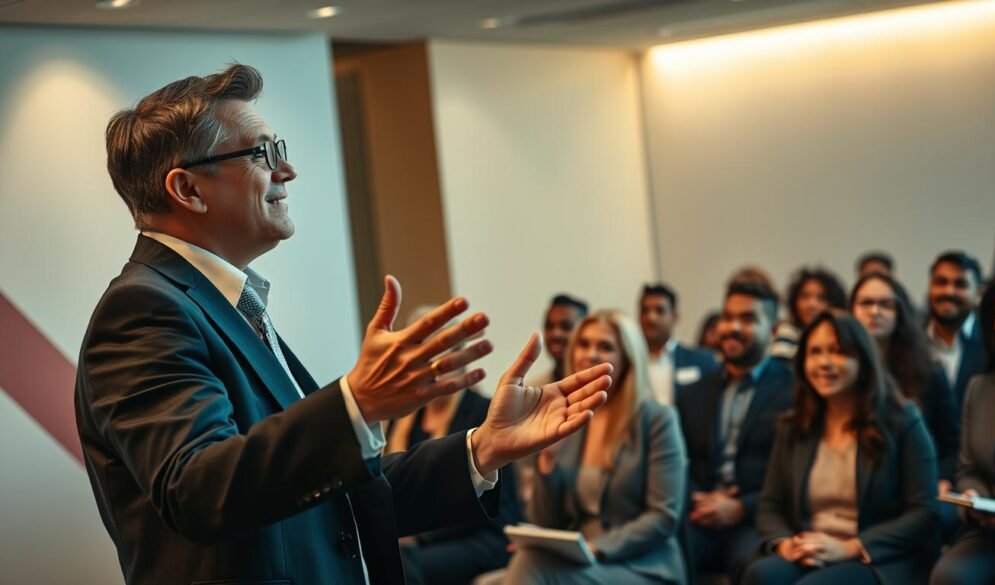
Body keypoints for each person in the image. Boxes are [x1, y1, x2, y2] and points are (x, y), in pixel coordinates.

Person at [74, 64, 612, 585]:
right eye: (264, 153)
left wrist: (480, 449)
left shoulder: (219, 303)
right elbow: (199, 490)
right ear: (188, 189)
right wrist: (356, 402)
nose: (287, 171)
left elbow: (338, 495)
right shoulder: (143, 311)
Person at [743, 310, 940, 585]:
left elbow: (925, 513)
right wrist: (787, 545)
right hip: (813, 549)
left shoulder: (902, 421)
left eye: (837, 351)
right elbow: (770, 506)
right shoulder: (794, 426)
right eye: (815, 352)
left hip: (877, 556)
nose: (824, 363)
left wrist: (850, 547)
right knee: (761, 574)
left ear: (863, 359)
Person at [506, 310, 688, 584]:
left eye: (605, 347)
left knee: (532, 568)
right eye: (584, 344)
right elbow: (547, 522)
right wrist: (547, 464)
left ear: (628, 358)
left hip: (642, 566)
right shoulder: (570, 416)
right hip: (578, 561)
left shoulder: (657, 419)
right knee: (508, 570)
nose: (590, 354)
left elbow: (663, 517)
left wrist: (596, 547)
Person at [384, 308, 521, 585]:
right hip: (423, 537)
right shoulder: (404, 419)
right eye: (427, 350)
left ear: (462, 355)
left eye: (445, 348)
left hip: (484, 538)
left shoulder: (485, 414)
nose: (437, 360)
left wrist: (418, 534)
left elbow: (491, 506)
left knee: (402, 564)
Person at [676, 281, 794, 582]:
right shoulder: (694, 392)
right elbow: (679, 460)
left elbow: (796, 474)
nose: (733, 327)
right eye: (728, 317)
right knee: (661, 550)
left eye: (748, 319)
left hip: (756, 519)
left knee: (755, 569)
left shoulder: (795, 390)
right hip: (698, 516)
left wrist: (742, 507)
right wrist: (698, 502)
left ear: (773, 329)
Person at [931, 273, 995, 585]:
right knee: (950, 576)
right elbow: (969, 467)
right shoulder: (981, 388)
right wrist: (976, 499)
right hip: (994, 527)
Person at [850, 273, 959, 501]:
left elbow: (952, 445)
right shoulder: (837, 372)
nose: (874, 312)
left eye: (885, 304)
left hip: (917, 489)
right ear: (851, 310)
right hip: (851, 488)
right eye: (866, 303)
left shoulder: (929, 371)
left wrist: (943, 478)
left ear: (900, 312)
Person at [639, 283, 717, 406]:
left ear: (675, 317)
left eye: (659, 311)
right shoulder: (630, 365)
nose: (651, 318)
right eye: (645, 311)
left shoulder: (702, 361)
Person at [926, 251, 986, 408]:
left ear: (979, 294)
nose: (948, 291)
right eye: (941, 282)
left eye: (960, 284)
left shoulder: (993, 342)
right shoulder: (910, 340)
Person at [772, 268, 847, 359]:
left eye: (821, 298)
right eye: (804, 296)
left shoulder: (843, 335)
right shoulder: (787, 332)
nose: (812, 304)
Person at [528, 294, 589, 387]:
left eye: (566, 327)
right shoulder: (533, 390)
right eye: (549, 326)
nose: (555, 334)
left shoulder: (604, 386)